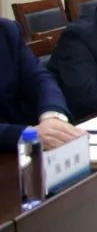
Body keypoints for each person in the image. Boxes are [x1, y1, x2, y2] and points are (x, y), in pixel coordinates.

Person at [0, 17, 84, 149]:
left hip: (27, 149)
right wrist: (26, 135)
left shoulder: (6, 29)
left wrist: (52, 117)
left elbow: (40, 79)